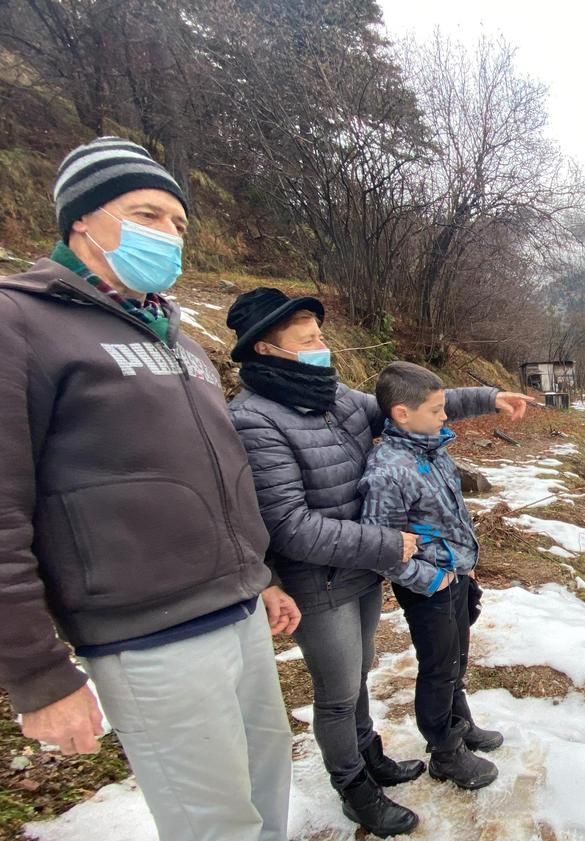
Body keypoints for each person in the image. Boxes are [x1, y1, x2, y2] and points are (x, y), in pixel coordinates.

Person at [0, 136, 298, 841]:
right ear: (82, 219)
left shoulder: (178, 338)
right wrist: (40, 674)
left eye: (178, 223)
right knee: (214, 825)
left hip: (237, 612)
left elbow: (216, 471)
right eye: (147, 213)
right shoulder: (22, 322)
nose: (168, 234)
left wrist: (260, 575)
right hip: (147, 635)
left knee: (267, 790)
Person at [226, 290, 535, 836]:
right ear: (268, 350)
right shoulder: (255, 419)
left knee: (360, 672)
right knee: (339, 692)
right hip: (318, 578)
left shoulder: (332, 396)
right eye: (309, 340)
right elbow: (289, 526)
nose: (324, 345)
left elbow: (413, 405)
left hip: (362, 566)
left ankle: (370, 756)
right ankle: (353, 786)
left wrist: (489, 397)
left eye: (320, 335)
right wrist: (389, 546)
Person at [359, 362, 506, 792]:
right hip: (430, 587)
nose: (446, 417)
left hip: (455, 573)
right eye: (437, 410)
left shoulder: (431, 448)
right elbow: (380, 549)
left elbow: (449, 514)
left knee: (456, 658)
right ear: (402, 414)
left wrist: (464, 562)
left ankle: (461, 724)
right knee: (439, 667)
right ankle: (445, 751)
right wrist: (431, 579)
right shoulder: (388, 471)